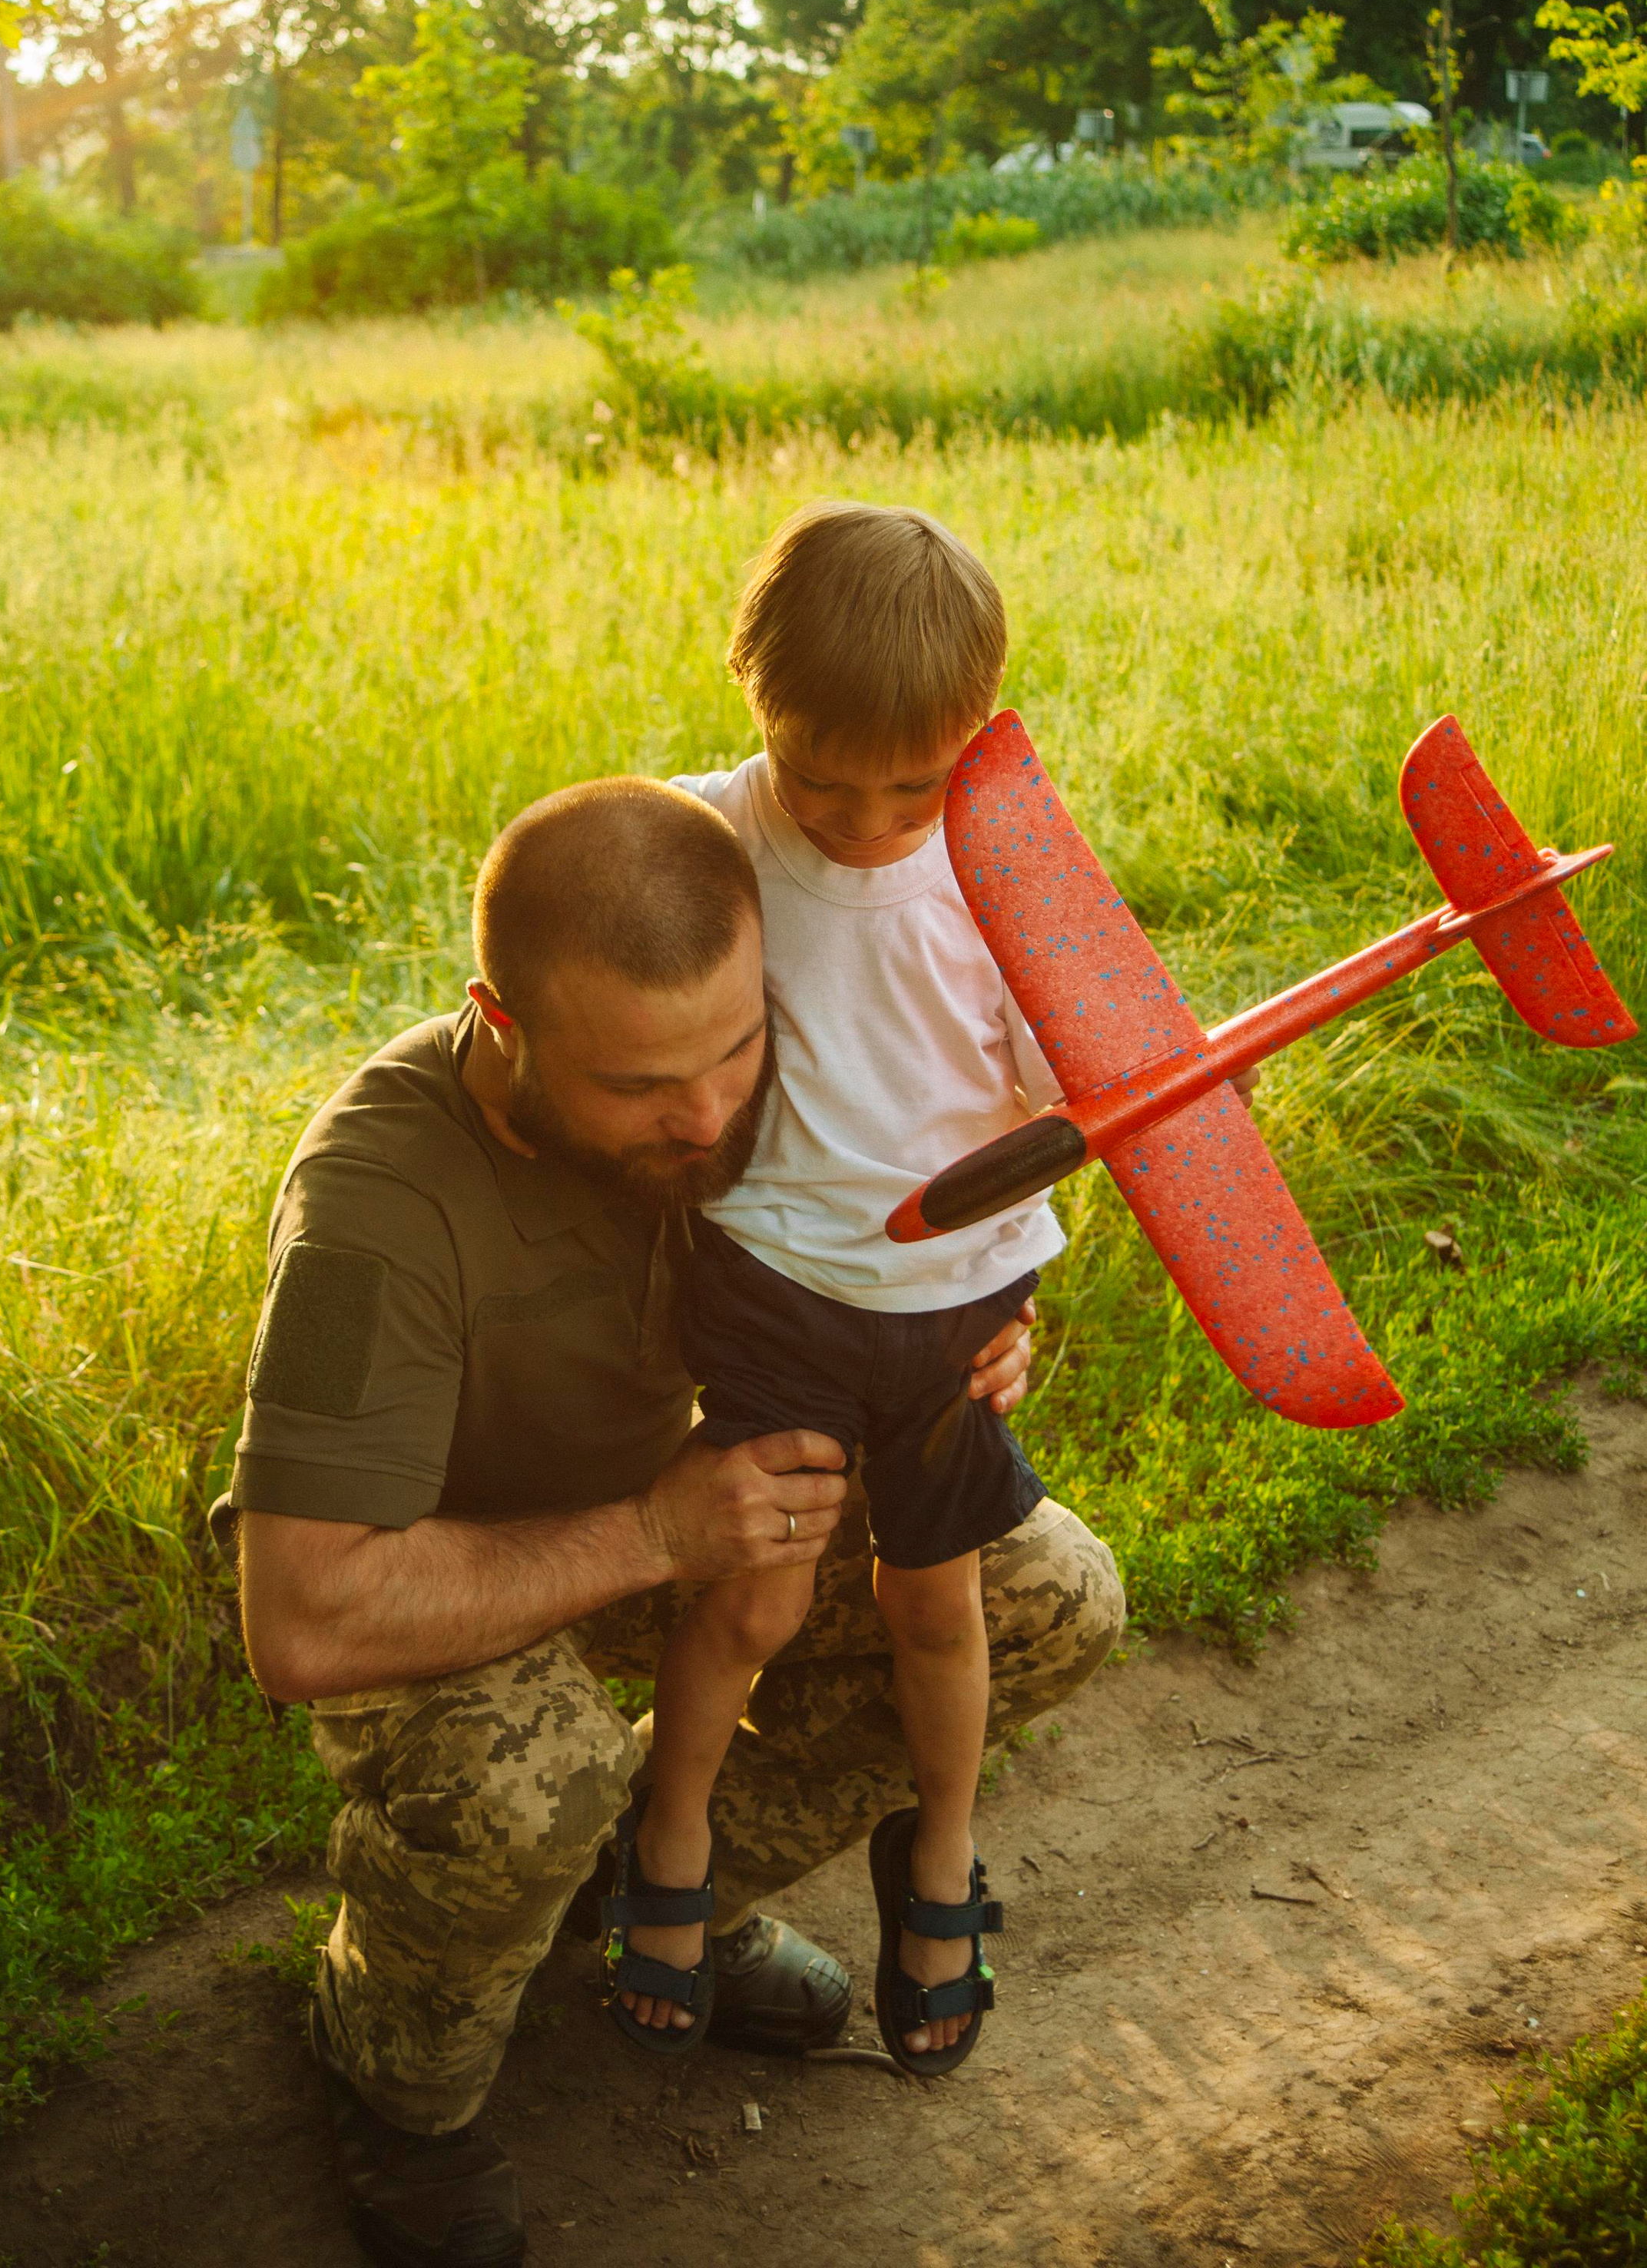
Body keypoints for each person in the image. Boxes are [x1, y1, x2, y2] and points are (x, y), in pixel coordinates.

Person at [232, 773, 1125, 2268]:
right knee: (531, 1783)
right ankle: (394, 2068)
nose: (710, 1114)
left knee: (1048, 1602)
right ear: (503, 1027)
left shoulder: (747, 1064)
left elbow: (936, 1192)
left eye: (736, 1046)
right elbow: (303, 1616)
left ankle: (656, 1888)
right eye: (642, 1089)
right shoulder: (371, 1204)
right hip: (451, 1572)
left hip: (704, 1509)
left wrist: (975, 1328)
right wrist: (654, 1533)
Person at [598, 502, 1092, 2077]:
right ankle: (667, 1845)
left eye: (914, 781)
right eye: (818, 774)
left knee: (933, 1610)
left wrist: (1014, 1298)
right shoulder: (700, 837)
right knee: (749, 1593)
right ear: (752, 695)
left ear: (976, 740)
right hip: (771, 1296)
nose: (865, 815)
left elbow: (1059, 1111)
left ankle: (938, 1863)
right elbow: (583, 958)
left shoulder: (1001, 875)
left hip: (942, 1317)